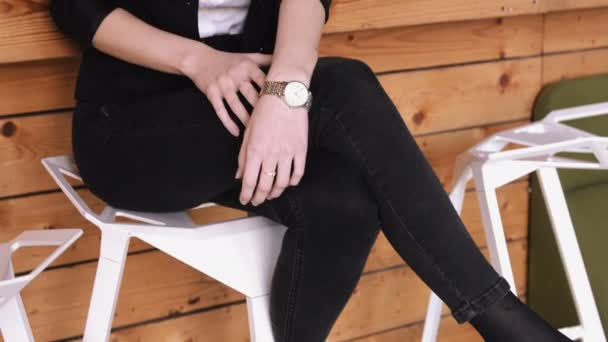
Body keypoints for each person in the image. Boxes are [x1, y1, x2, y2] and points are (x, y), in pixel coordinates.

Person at [48, 0, 573, 341]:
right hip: (130, 130)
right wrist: (201, 63)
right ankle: (504, 322)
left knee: (344, 198)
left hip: (247, 105)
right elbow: (76, 5)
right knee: (344, 87)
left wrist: (286, 89)